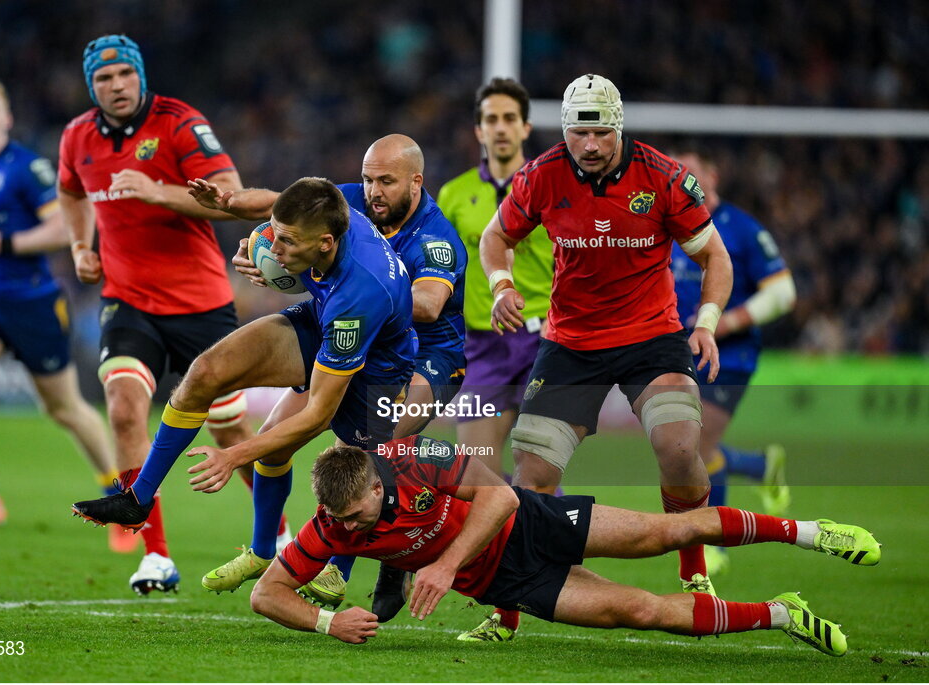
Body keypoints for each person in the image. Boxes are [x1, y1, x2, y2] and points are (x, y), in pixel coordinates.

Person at [71, 178, 417, 600]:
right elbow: (274, 201)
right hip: (323, 319)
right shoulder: (326, 208)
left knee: (354, 475)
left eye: (286, 242)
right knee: (205, 372)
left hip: (379, 366)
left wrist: (230, 457)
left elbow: (317, 416)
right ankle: (142, 500)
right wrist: (232, 205)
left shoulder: (359, 295)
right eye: (276, 234)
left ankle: (348, 569)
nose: (276, 249)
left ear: (325, 243)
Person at [480, 73, 735, 638]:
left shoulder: (666, 178)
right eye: (578, 133)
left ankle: (693, 571)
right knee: (533, 474)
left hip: (652, 337)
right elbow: (494, 239)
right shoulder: (541, 175)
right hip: (572, 344)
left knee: (679, 445)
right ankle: (507, 611)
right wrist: (502, 286)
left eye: (599, 133)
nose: (589, 145)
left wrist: (708, 325)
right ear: (565, 130)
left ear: (618, 128)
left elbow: (715, 258)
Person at [250, 434, 880, 657]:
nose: (351, 533)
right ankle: (782, 613)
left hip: (532, 524)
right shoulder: (332, 523)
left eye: (359, 517)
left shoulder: (414, 457)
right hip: (509, 582)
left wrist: (443, 562)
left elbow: (501, 498)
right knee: (640, 611)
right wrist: (327, 622)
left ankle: (814, 533)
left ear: (374, 484)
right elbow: (266, 595)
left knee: (672, 530)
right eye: (341, 522)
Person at [191, 134, 467, 604]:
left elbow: (426, 304)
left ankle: (361, 567)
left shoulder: (436, 237)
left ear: (416, 182)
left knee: (369, 452)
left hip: (427, 355)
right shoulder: (355, 202)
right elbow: (283, 203)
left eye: (386, 181)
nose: (373, 191)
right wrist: (234, 203)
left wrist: (352, 275)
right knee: (273, 441)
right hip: (352, 336)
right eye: (367, 179)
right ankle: (261, 550)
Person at [57, 35, 277, 595]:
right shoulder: (77, 137)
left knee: (231, 431)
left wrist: (159, 191)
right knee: (125, 408)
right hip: (128, 302)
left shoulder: (179, 124)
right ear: (93, 87)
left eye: (125, 75)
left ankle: (276, 536)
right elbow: (71, 194)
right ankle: (155, 555)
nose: (117, 86)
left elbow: (229, 194)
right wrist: (82, 248)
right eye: (104, 79)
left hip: (200, 304)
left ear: (140, 75)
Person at [0, 74, 124, 550]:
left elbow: (64, 228)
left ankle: (119, 499)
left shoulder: (27, 169)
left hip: (33, 303)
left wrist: (8, 243)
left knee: (63, 409)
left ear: (6, 119)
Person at [437, 77, 554, 640]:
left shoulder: (554, 188)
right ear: (479, 129)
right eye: (492, 118)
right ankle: (507, 601)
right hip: (481, 349)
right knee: (478, 472)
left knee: (536, 478)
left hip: (545, 345)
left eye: (511, 117)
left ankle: (517, 605)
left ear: (525, 127)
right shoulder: (455, 194)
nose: (501, 127)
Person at [669, 149, 797, 575]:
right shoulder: (669, 226)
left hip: (732, 352)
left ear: (712, 174)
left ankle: (712, 544)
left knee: (699, 447)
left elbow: (782, 293)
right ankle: (760, 466)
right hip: (679, 350)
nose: (684, 180)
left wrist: (729, 322)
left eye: (691, 172)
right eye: (676, 174)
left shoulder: (741, 228)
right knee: (685, 446)